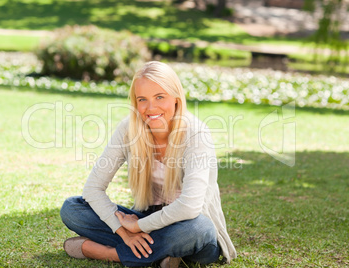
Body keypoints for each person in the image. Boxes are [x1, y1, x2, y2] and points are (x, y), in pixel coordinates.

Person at [60, 61, 237, 267]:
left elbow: (189, 208)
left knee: (198, 228)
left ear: (176, 99)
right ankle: (162, 256)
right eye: (142, 99)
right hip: (145, 222)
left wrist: (138, 227)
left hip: (187, 226)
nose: (151, 108)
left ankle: (109, 253)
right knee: (72, 208)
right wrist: (126, 233)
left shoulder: (196, 133)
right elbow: (92, 189)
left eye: (159, 97)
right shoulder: (129, 129)